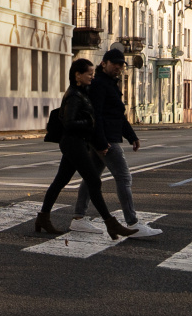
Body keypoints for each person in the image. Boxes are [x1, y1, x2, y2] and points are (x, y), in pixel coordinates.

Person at [37, 58, 134, 238]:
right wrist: (89, 122)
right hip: (72, 143)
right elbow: (69, 122)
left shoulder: (82, 92)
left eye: (93, 73)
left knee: (61, 181)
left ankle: (43, 217)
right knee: (94, 181)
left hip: (76, 142)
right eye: (89, 74)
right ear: (77, 75)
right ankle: (110, 224)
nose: (92, 77)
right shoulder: (74, 95)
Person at [71, 48, 161, 239]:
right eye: (115, 64)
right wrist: (102, 142)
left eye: (121, 65)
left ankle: (78, 218)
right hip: (106, 140)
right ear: (104, 63)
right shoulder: (99, 85)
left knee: (92, 178)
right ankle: (133, 224)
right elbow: (97, 115)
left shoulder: (110, 83)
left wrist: (131, 136)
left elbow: (117, 115)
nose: (119, 68)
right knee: (124, 177)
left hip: (106, 138)